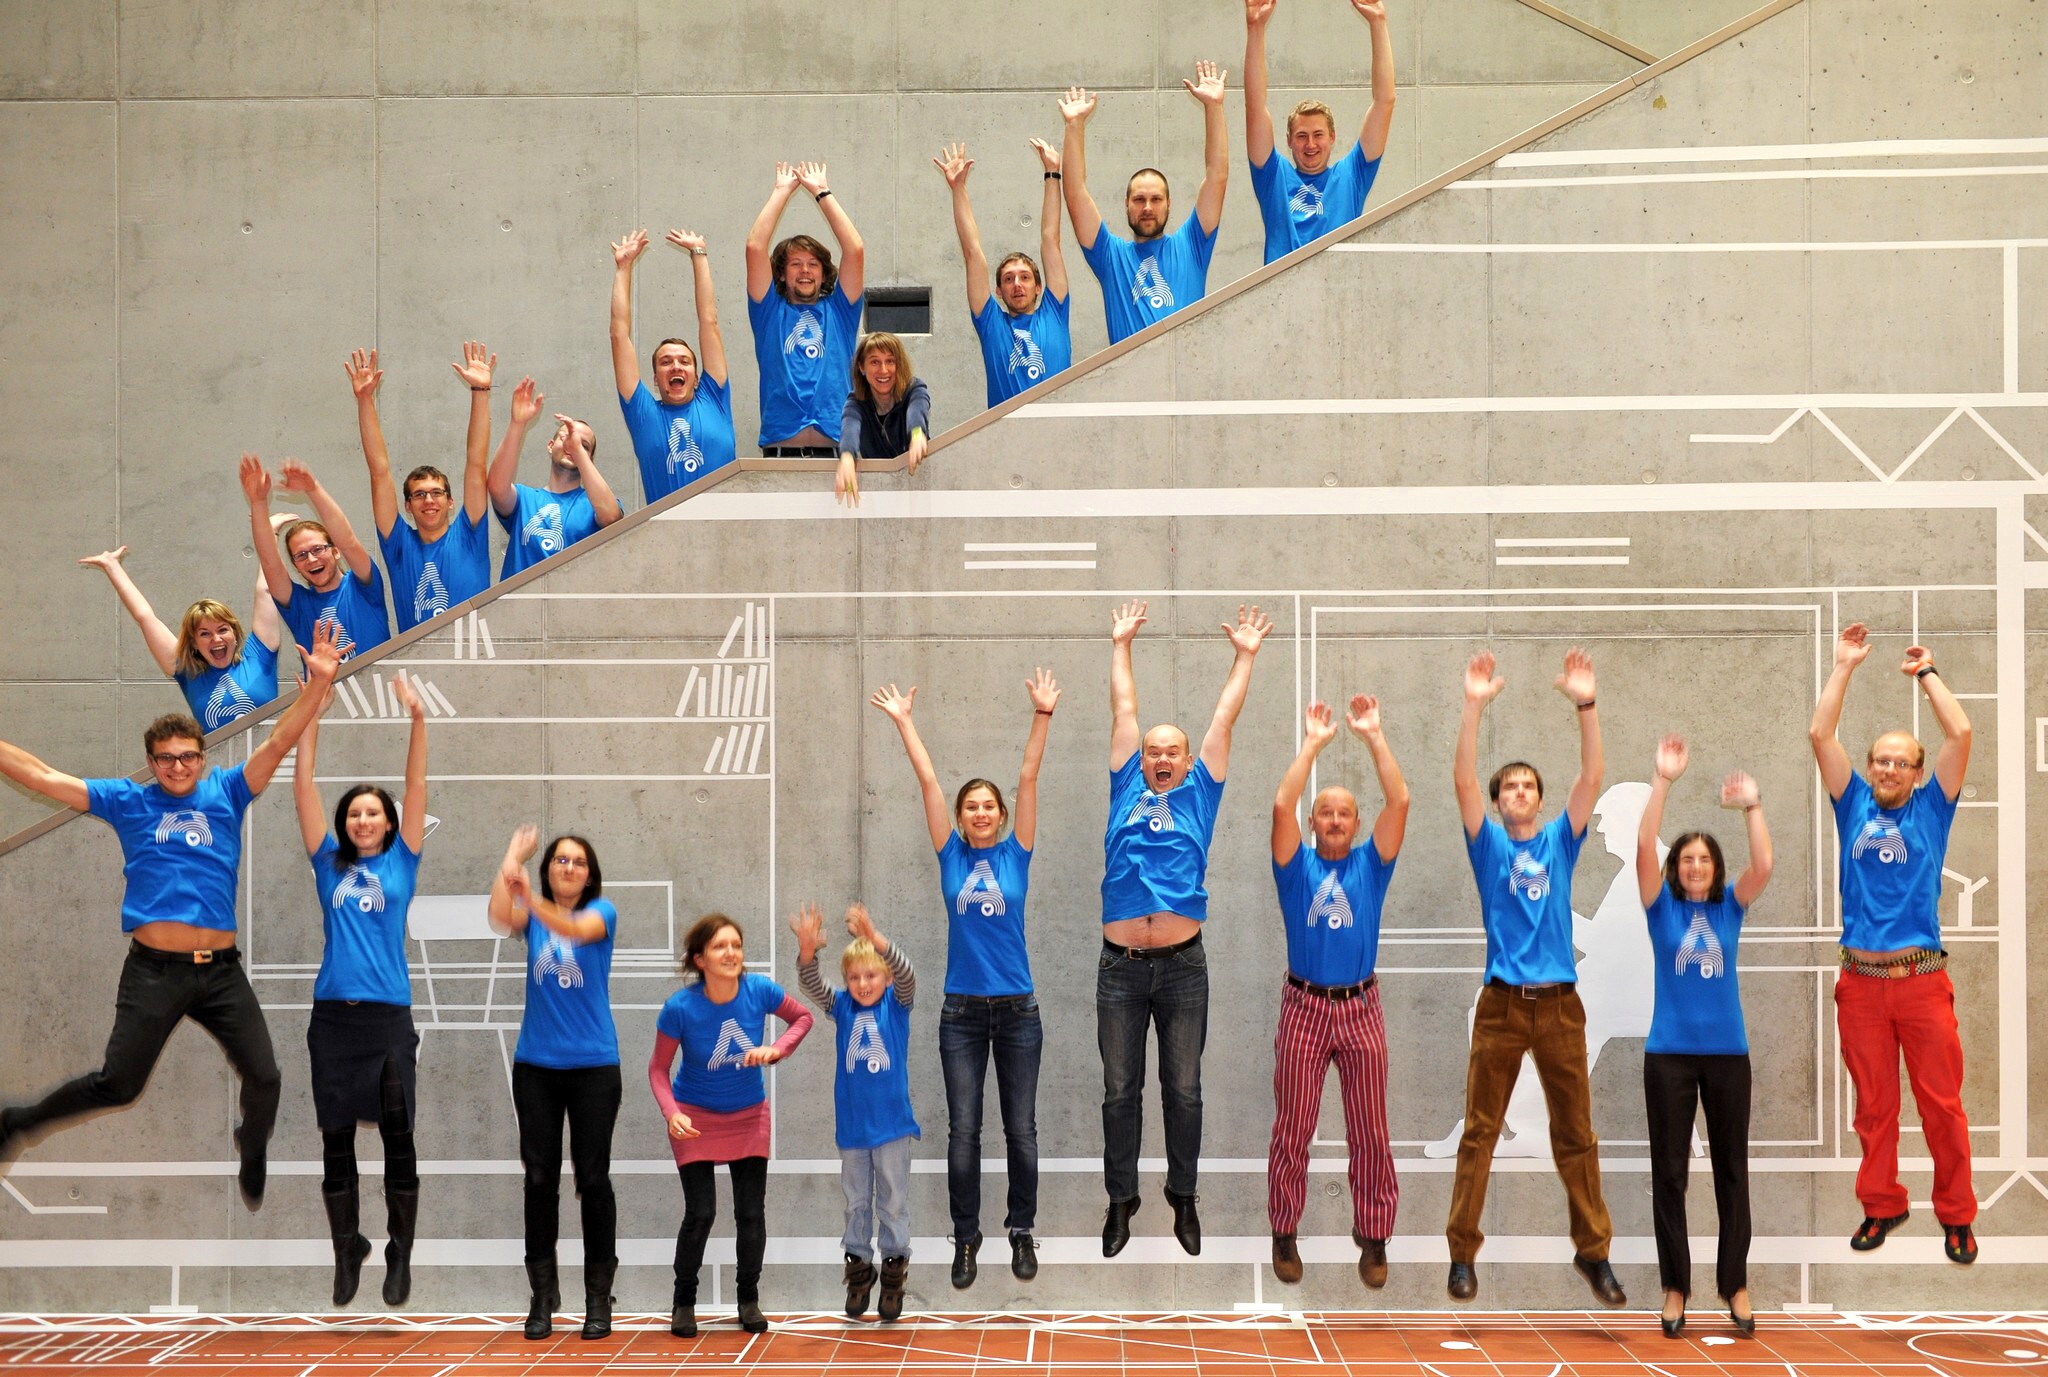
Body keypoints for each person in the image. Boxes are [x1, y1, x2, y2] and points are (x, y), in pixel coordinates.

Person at [0, 623, 342, 1204]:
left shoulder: (228, 791)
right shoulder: (127, 801)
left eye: (187, 757)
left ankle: (251, 1143)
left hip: (221, 973)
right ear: (151, 762)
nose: (178, 767)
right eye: (166, 760)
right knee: (119, 1085)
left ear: (202, 758)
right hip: (154, 972)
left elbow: (278, 742)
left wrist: (318, 686)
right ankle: (18, 1123)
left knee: (266, 1077)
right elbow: (42, 776)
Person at [1446, 647, 1624, 1307]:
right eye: (1509, 787)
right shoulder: (1489, 845)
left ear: (1541, 801)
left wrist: (1586, 703)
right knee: (1480, 1130)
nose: (1519, 792)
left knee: (1576, 1133)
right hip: (1501, 1005)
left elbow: (1593, 774)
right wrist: (1473, 706)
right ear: (1498, 803)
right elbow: (1463, 780)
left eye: (1528, 786)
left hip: (1559, 1007)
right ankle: (1461, 1253)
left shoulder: (1558, 841)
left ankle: (1593, 1252)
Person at [870, 671, 1057, 1289]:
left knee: (1022, 1131)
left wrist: (1042, 715)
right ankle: (967, 1239)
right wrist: (905, 721)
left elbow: (1028, 776)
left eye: (989, 806)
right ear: (960, 816)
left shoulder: (1016, 853)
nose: (980, 813)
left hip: (1019, 1012)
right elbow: (928, 780)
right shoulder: (951, 855)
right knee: (964, 1133)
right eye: (970, 806)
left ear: (1002, 816)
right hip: (962, 1016)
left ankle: (1021, 1231)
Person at [1099, 599, 1270, 1257]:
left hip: (1182, 967)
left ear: (1188, 759)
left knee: (1185, 1090)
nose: (1161, 757)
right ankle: (1122, 1200)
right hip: (1119, 968)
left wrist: (1244, 657)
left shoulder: (1201, 790)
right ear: (1140, 760)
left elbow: (1224, 717)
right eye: (1153, 751)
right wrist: (1121, 645)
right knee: (1120, 1091)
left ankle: (1183, 1195)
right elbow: (1124, 710)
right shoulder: (1124, 785)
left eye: (1172, 750)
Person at [1808, 623, 1977, 1264]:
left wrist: (1927, 674)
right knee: (1874, 1109)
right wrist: (1844, 665)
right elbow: (1820, 734)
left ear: (1917, 772)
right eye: (1880, 759)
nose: (1887, 768)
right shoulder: (1851, 802)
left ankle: (1956, 1215)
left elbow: (1961, 733)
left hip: (1921, 982)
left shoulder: (1932, 809)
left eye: (1900, 762)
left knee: (1942, 1107)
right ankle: (1882, 1205)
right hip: (1860, 985)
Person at [291, 668, 429, 1308]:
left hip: (388, 1020)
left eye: (374, 812)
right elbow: (304, 783)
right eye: (355, 813)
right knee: (336, 1138)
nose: (364, 819)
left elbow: (415, 785)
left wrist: (418, 719)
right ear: (344, 824)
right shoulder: (328, 862)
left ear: (389, 822)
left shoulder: (404, 859)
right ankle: (347, 1248)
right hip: (333, 1022)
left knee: (398, 1135)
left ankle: (400, 1252)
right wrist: (311, 710)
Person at [1266, 695, 1409, 1289]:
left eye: (1344, 814)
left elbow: (1400, 801)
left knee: (1370, 1129)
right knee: (1293, 1127)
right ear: (1312, 823)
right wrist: (1312, 745)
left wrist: (1374, 736)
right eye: (1324, 812)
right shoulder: (1294, 867)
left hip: (1361, 1008)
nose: (1333, 820)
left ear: (1356, 824)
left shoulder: (1372, 865)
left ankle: (1373, 1236)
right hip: (1303, 1008)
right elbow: (1281, 803)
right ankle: (1284, 1231)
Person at [1635, 735, 1772, 1338]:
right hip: (1668, 1056)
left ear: (1716, 869)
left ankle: (1735, 1284)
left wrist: (1752, 806)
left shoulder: (1729, 908)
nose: (1695, 866)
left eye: (1704, 860)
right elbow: (1644, 845)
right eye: (1686, 859)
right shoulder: (1659, 908)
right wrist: (1662, 781)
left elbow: (1762, 866)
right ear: (1676, 868)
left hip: (1727, 1057)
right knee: (1670, 1174)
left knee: (1731, 1172)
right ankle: (1675, 1288)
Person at [651, 914, 814, 1337]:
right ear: (700, 959)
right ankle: (683, 1301)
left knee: (750, 1213)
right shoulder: (680, 1007)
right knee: (701, 1213)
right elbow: (657, 1069)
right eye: (720, 946)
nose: (731, 953)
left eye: (736, 945)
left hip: (748, 1115)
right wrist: (672, 1112)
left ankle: (748, 1299)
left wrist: (776, 1049)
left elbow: (802, 1019)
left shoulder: (759, 990)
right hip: (694, 1118)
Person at [488, 827, 622, 1342]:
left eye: (578, 862)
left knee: (593, 1179)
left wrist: (530, 895)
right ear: (547, 870)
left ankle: (598, 1298)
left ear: (589, 876)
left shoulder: (601, 913)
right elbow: (499, 916)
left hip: (593, 1067)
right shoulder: (532, 915)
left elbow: (574, 930)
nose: (569, 867)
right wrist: (512, 857)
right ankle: (542, 1295)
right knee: (540, 1179)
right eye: (560, 860)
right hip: (537, 1067)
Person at [793, 902, 919, 1324]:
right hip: (852, 1129)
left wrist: (873, 934)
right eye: (854, 977)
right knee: (856, 1203)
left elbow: (908, 973)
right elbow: (811, 982)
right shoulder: (843, 1006)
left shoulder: (897, 1005)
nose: (863, 984)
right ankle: (859, 1268)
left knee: (893, 1203)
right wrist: (808, 951)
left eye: (871, 975)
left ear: (886, 978)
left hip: (892, 1126)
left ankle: (894, 1269)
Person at [1059, 63, 1228, 345]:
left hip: (1188, 371)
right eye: (1139, 199)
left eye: (1155, 199)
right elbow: (1075, 193)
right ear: (1126, 204)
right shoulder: (1110, 256)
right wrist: (1074, 126)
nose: (1147, 207)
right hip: (1129, 374)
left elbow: (1217, 176)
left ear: (1169, 204)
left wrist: (1214, 108)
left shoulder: (1193, 244)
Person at [346, 343, 494, 633]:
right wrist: (364, 400)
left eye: (437, 493)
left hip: (476, 656)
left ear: (450, 501)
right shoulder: (399, 545)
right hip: (417, 660)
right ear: (408, 506)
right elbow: (379, 472)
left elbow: (476, 463)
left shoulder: (470, 534)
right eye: (419, 495)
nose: (429, 500)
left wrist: (480, 392)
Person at [1244, 0, 1396, 264]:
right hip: (1281, 289)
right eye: (1302, 136)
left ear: (1332, 137)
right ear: (1289, 141)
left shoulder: (1351, 175)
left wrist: (1378, 22)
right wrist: (1255, 28)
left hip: (1339, 286)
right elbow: (1255, 107)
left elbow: (1385, 102)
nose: (1310, 144)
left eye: (1318, 135)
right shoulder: (1273, 176)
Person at [79, 541, 284, 733]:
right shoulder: (189, 672)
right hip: (220, 761)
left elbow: (266, 590)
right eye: (205, 634)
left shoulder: (259, 656)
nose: (216, 639)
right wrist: (112, 567)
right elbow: (145, 618)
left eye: (222, 630)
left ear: (235, 634)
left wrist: (271, 533)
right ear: (194, 643)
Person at [934, 138, 1073, 408]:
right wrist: (958, 188)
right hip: (1005, 432)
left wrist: (1052, 173)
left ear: (1039, 287)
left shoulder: (1054, 312)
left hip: (1059, 429)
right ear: (998, 291)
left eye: (1025, 277)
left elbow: (1050, 239)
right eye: (1008, 279)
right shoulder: (991, 324)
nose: (1017, 284)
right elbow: (972, 253)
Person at [745, 161, 866, 457]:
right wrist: (781, 192)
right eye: (795, 264)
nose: (805, 271)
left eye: (813, 264)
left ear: (823, 275)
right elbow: (755, 247)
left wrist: (822, 192)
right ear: (781, 274)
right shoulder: (768, 313)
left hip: (837, 455)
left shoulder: (840, 312)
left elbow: (854, 250)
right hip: (780, 454)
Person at [610, 227, 736, 503]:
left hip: (724, 526)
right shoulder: (643, 414)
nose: (676, 366)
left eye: (685, 361)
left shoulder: (714, 398)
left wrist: (699, 254)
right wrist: (623, 267)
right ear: (656, 379)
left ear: (697, 377)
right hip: (665, 529)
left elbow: (709, 321)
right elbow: (619, 336)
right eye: (666, 362)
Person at [243, 453, 392, 661]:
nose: (311, 560)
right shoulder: (298, 604)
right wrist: (258, 502)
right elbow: (270, 563)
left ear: (335, 551)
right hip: (325, 685)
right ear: (295, 565)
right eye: (301, 555)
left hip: (379, 683)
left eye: (318, 549)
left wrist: (313, 489)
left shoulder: (363, 586)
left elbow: (348, 541)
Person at [488, 376, 624, 579]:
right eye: (566, 438)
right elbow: (497, 487)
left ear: (590, 459)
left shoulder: (594, 504)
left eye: (583, 445)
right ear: (550, 446)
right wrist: (517, 424)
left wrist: (577, 451)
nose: (572, 445)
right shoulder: (525, 499)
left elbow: (611, 517)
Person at [832, 333, 931, 508]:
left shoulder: (914, 389)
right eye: (875, 362)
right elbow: (849, 428)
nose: (883, 370)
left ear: (899, 364)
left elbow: (917, 411)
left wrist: (917, 435)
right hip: (878, 494)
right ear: (862, 367)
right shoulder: (855, 402)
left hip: (918, 489)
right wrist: (847, 457)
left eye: (890, 361)